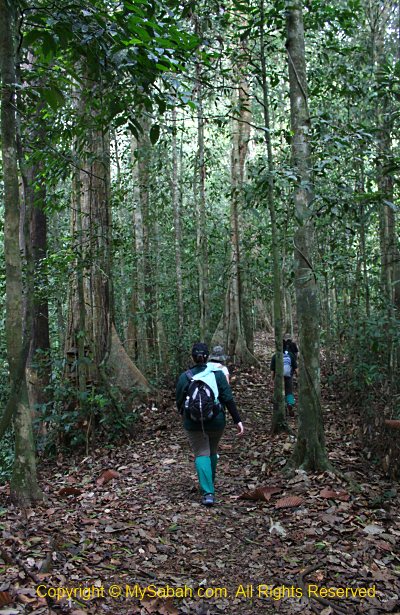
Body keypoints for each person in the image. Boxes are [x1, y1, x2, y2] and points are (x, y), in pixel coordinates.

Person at [176, 342, 244, 507]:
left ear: (192, 357)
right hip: (216, 420)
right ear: (208, 357)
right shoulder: (218, 374)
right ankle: (209, 483)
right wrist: (238, 420)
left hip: (193, 422)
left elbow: (179, 402)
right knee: (212, 450)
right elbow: (228, 398)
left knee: (201, 452)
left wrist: (185, 414)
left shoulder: (185, 377)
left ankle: (208, 492)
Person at [270, 342, 298, 416]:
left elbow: (272, 371)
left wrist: (272, 380)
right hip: (289, 376)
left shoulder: (275, 356)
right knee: (289, 392)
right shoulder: (290, 355)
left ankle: (283, 407)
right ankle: (290, 404)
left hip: (279, 377)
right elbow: (296, 368)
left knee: (280, 392)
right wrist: (298, 377)